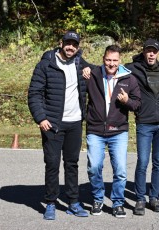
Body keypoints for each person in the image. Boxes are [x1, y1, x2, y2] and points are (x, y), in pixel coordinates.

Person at [28, 30, 93, 220]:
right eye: (68, 43)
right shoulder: (46, 64)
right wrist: (41, 118)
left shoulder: (81, 63)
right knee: (52, 164)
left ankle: (73, 202)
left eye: (74, 44)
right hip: (53, 124)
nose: (70, 47)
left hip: (75, 123)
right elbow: (34, 94)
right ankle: (50, 202)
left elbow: (105, 70)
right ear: (61, 43)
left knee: (72, 164)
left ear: (78, 47)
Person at [85, 45, 141, 218]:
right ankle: (97, 199)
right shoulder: (92, 74)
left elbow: (138, 104)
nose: (111, 64)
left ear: (120, 60)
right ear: (103, 59)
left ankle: (118, 203)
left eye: (115, 60)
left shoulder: (129, 78)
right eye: (108, 60)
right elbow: (77, 62)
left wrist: (126, 101)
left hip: (118, 131)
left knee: (120, 170)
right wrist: (84, 69)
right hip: (95, 129)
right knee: (94, 167)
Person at [125, 38, 159, 216]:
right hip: (144, 122)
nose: (151, 54)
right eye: (148, 51)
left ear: (158, 53)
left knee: (158, 163)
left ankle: (154, 197)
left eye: (154, 51)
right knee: (143, 162)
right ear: (143, 52)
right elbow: (111, 67)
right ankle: (139, 199)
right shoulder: (133, 68)